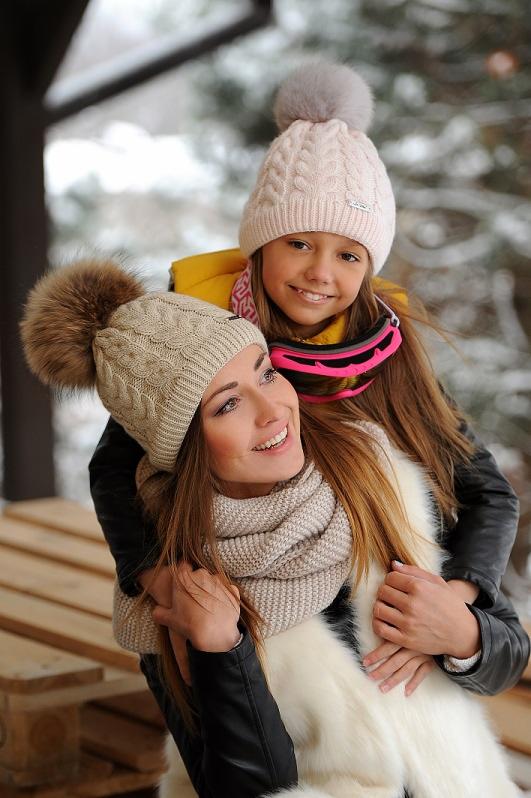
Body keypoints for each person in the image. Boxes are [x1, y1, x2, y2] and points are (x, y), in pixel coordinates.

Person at [21, 261, 528, 798]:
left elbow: (506, 657)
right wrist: (221, 649)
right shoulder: (180, 590)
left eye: (266, 372)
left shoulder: (379, 484)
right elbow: (240, 786)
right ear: (185, 448)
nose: (273, 411)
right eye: (229, 404)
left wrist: (467, 637)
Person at [90, 61, 520, 695]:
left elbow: (485, 490)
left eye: (348, 254)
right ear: (260, 242)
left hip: (380, 642)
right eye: (298, 243)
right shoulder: (198, 337)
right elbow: (113, 468)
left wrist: (452, 603)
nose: (321, 272)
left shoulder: (388, 351)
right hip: (243, 629)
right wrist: (153, 574)